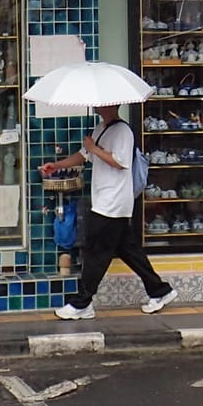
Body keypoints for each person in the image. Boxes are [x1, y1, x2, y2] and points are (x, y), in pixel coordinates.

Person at [42, 103, 175, 320]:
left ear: (113, 105)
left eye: (101, 104)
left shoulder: (123, 131)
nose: (96, 107)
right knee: (129, 251)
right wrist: (57, 165)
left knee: (95, 252)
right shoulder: (100, 129)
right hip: (105, 201)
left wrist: (95, 149)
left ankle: (82, 303)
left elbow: (120, 162)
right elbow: (84, 155)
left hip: (112, 203)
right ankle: (160, 290)